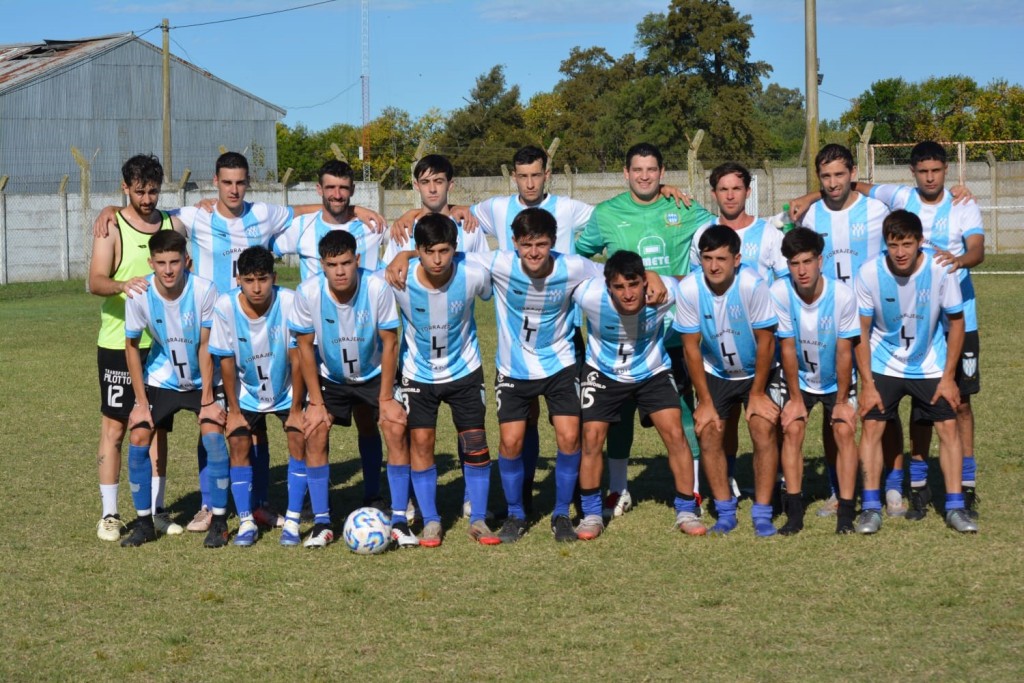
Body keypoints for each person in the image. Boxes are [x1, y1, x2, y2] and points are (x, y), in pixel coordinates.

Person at [95, 152, 387, 532]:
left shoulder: (265, 213)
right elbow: (149, 210)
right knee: (216, 418)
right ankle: (208, 504)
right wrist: (110, 208)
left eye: (240, 182)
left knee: (256, 416)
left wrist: (356, 208)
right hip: (207, 329)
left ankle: (260, 503)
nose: (234, 189)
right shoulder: (195, 215)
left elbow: (310, 206)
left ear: (247, 183)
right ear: (214, 182)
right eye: (226, 182)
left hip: (258, 328)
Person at [835, 141, 984, 520]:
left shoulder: (962, 204)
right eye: (923, 171)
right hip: (899, 331)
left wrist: (957, 261)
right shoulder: (900, 197)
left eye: (936, 170)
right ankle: (916, 483)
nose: (930, 177)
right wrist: (806, 197)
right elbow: (855, 185)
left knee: (957, 403)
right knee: (913, 411)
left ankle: (964, 486)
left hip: (952, 317)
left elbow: (978, 251)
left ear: (946, 170)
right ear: (913, 172)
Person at [575, 142, 713, 519]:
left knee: (682, 413)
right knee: (616, 418)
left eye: (652, 169)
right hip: (619, 336)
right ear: (625, 173)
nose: (645, 176)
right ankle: (618, 490)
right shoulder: (606, 214)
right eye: (637, 169)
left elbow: (719, 243)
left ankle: (695, 491)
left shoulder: (683, 208)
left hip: (671, 333)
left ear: (663, 172)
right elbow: (578, 258)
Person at [789, 144, 905, 518]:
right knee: (833, 409)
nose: (833, 183)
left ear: (853, 173)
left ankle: (892, 486)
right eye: (825, 177)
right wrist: (808, 198)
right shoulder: (809, 216)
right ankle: (839, 489)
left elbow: (918, 211)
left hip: (873, 327)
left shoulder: (877, 210)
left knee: (881, 407)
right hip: (826, 329)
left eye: (840, 174)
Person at [853, 210, 976, 534]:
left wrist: (949, 377)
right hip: (884, 363)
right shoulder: (868, 273)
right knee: (871, 429)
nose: (901, 252)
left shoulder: (940, 269)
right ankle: (869, 507)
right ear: (885, 244)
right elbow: (860, 332)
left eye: (907, 244)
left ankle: (955, 507)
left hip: (930, 363)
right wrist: (867, 383)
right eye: (894, 244)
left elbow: (957, 322)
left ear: (921, 242)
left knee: (948, 427)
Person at [289, 231, 410, 548]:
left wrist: (385, 398)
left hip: (373, 373)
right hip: (332, 376)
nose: (340, 271)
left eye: (346, 262)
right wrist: (315, 401)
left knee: (394, 426)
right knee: (314, 429)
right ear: (322, 265)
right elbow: (304, 349)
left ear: (357, 260)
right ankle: (322, 522)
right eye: (332, 264)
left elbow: (390, 342)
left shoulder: (376, 288)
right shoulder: (308, 292)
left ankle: (397, 518)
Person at [571, 250, 703, 540]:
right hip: (603, 372)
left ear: (645, 282)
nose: (628, 294)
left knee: (675, 434)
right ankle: (591, 513)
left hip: (652, 372)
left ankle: (686, 508)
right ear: (608, 288)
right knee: (591, 438)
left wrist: (657, 276)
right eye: (619, 287)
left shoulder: (664, 292)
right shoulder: (590, 296)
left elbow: (694, 280)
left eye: (634, 284)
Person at [388, 214, 497, 547]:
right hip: (418, 374)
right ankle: (432, 520)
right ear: (417, 250)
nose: (437, 259)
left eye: (445, 251)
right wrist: (401, 256)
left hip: (464, 370)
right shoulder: (398, 280)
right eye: (429, 251)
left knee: (475, 443)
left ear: (455, 249)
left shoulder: (474, 274)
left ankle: (479, 518)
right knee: (421, 443)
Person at [89, 154, 179, 541]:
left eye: (153, 191)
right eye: (139, 191)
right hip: (117, 342)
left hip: (161, 345)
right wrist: (123, 286)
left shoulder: (173, 222)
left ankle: (156, 509)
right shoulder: (111, 225)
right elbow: (94, 281)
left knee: (157, 426)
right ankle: (110, 514)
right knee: (116, 425)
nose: (147, 199)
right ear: (125, 187)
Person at [121, 231, 230, 548]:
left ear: (187, 261)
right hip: (161, 376)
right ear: (151, 263)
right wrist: (141, 403)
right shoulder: (139, 294)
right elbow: (131, 348)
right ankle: (144, 524)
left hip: (202, 378)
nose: (168, 270)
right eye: (161, 263)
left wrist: (208, 399)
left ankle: (219, 522)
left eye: (174, 262)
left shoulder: (204, 290)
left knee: (213, 434)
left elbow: (207, 345)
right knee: (140, 434)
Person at [675, 225, 781, 536]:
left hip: (756, 372)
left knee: (762, 426)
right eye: (707, 258)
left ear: (737, 259)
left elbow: (766, 341)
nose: (714, 266)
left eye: (721, 258)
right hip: (715, 371)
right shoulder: (690, 289)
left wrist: (759, 392)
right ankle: (725, 511)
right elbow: (691, 348)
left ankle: (762, 512)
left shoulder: (752, 284)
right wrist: (705, 401)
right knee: (708, 432)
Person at [691, 161, 788, 499]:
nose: (730, 195)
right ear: (714, 193)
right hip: (719, 349)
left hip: (761, 344)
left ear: (748, 191)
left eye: (736, 188)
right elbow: (697, 285)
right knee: (724, 421)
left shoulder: (768, 234)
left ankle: (778, 479)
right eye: (723, 189)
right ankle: (728, 478)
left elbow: (785, 282)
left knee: (770, 418)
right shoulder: (703, 235)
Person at [209, 246, 306, 547]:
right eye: (249, 280)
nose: (256, 287)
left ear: (274, 277)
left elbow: (298, 357)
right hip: (246, 392)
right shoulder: (225, 306)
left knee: (299, 437)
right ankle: (247, 521)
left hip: (286, 389)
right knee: (238, 440)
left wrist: (297, 407)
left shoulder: (289, 301)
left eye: (263, 279)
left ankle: (292, 521)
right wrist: (234, 410)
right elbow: (225, 360)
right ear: (238, 279)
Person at [770, 228, 860, 534]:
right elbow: (786, 347)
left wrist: (841, 403)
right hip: (800, 380)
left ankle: (846, 514)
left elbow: (845, 352)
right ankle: (794, 516)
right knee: (792, 429)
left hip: (837, 379)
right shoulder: (780, 292)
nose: (802, 270)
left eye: (807, 261)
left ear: (820, 260)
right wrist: (795, 399)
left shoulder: (844, 296)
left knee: (844, 431)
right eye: (794, 263)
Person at [270, 159, 383, 279]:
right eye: (330, 187)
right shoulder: (302, 226)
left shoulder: (372, 225)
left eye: (343, 188)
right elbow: (258, 241)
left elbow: (402, 234)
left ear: (352, 190)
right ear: (319, 189)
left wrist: (400, 258)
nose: (337, 195)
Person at [381, 154, 490, 266]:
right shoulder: (402, 231)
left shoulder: (470, 226)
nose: (432, 189)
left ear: (450, 185)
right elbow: (386, 275)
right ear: (416, 185)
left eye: (438, 181)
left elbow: (486, 270)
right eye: (425, 182)